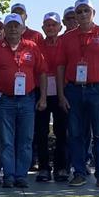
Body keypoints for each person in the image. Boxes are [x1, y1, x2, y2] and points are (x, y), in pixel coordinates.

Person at [56, 0, 99, 187]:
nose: (83, 14)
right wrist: (61, 94)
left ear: (93, 13)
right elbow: (60, 67)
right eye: (79, 12)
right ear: (75, 16)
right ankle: (79, 172)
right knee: (75, 133)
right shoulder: (67, 38)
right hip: (74, 91)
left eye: (86, 10)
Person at [0, 13, 47, 188]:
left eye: (16, 26)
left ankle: (21, 175)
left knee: (25, 139)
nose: (12, 29)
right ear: (4, 28)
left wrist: (43, 97)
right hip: (3, 100)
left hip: (27, 99)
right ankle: (9, 175)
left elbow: (42, 73)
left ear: (22, 28)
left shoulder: (32, 47)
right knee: (6, 140)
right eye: (9, 26)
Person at [34, 12, 69, 182]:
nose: (50, 28)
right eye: (47, 25)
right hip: (42, 93)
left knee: (61, 131)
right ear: (43, 28)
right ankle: (44, 168)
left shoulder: (66, 44)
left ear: (60, 27)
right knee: (41, 133)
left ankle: (61, 167)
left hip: (62, 92)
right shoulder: (36, 46)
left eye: (53, 25)